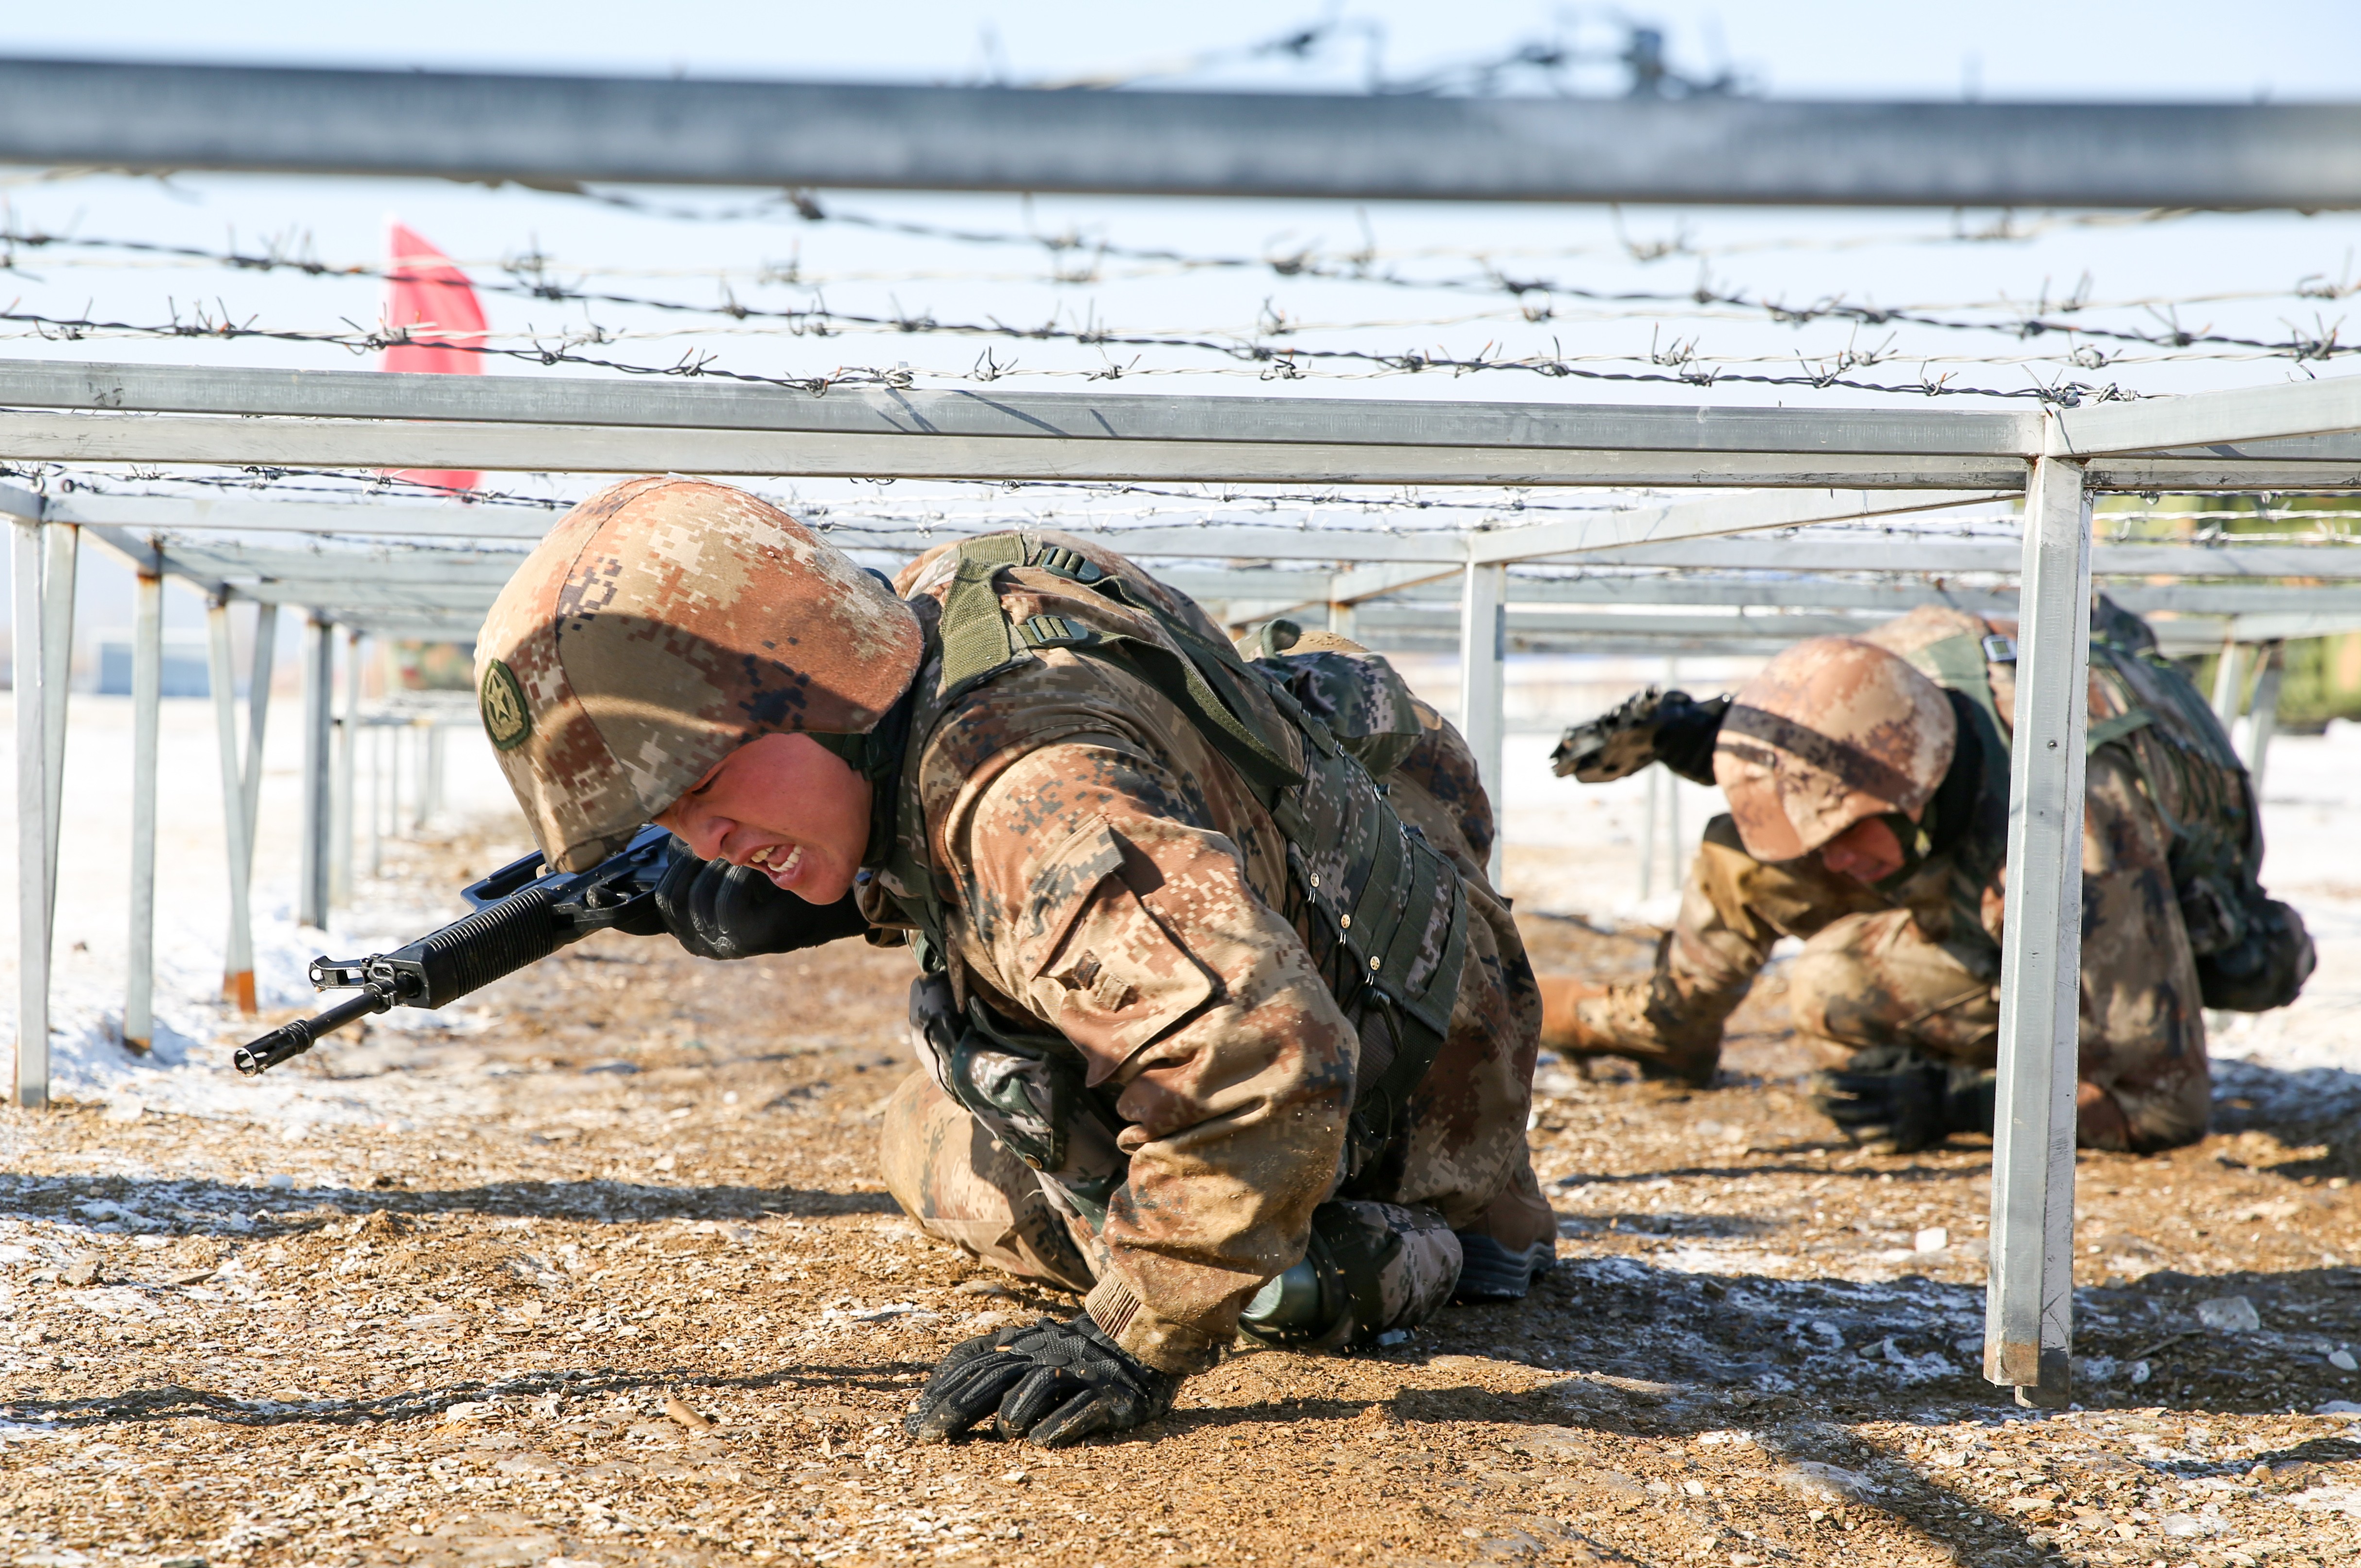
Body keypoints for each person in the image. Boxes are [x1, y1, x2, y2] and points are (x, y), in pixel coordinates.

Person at [474, 477, 1556, 1449]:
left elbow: (1267, 1057)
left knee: (934, 1134)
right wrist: (838, 882)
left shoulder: (1031, 799)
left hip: (1366, 1094)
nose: (706, 841)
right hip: (1443, 988)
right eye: (667, 821)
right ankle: (1485, 1190)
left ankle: (1373, 1246)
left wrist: (1132, 1338)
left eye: (704, 791)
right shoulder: (964, 601)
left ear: (811, 687)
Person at [1537, 599, 2314, 1154]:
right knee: (1740, 849)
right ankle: (1669, 1032)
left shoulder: (2071, 845)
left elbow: (2168, 1108)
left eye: (1847, 837)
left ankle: (2022, 1052)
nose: (1831, 865)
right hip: (1960, 848)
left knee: (1831, 985)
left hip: (2112, 916)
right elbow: (1843, 718)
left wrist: (1960, 1105)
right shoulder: (1910, 673)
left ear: (1910, 794)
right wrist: (1728, 736)